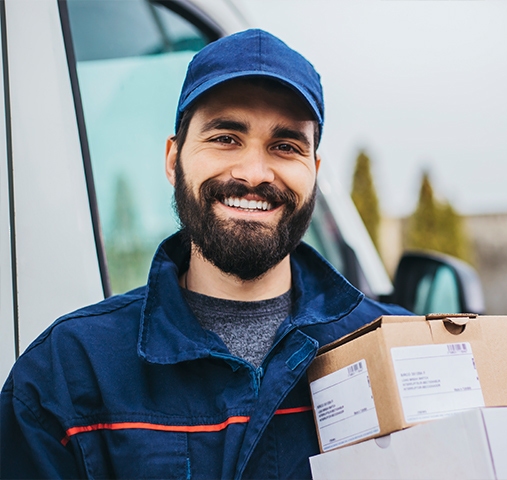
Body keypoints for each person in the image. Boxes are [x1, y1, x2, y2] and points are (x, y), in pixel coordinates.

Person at [0, 29, 409, 479]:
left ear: (312, 170)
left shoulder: (399, 352)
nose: (254, 173)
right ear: (174, 159)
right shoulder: (67, 373)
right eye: (225, 138)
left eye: (285, 146)